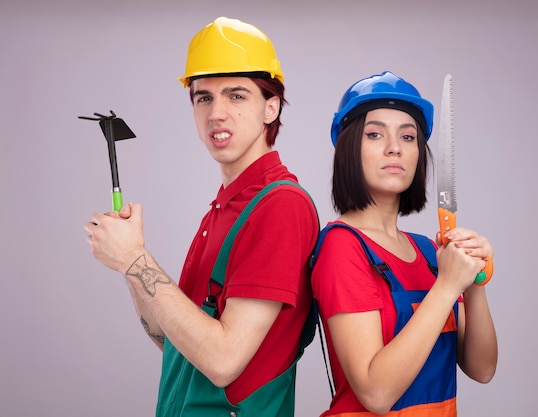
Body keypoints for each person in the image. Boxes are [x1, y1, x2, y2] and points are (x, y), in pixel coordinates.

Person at [84, 17, 319, 417]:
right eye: (204, 98)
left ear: (271, 107)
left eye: (237, 96)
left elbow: (223, 360)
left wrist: (136, 260)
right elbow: (172, 339)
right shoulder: (223, 209)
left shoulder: (280, 206)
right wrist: (131, 262)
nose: (216, 113)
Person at [310, 71, 497, 417]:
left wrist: (473, 283)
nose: (394, 147)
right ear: (350, 149)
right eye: (375, 134)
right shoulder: (342, 246)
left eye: (408, 137)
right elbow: (376, 393)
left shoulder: (429, 252)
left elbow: (482, 369)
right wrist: (447, 286)